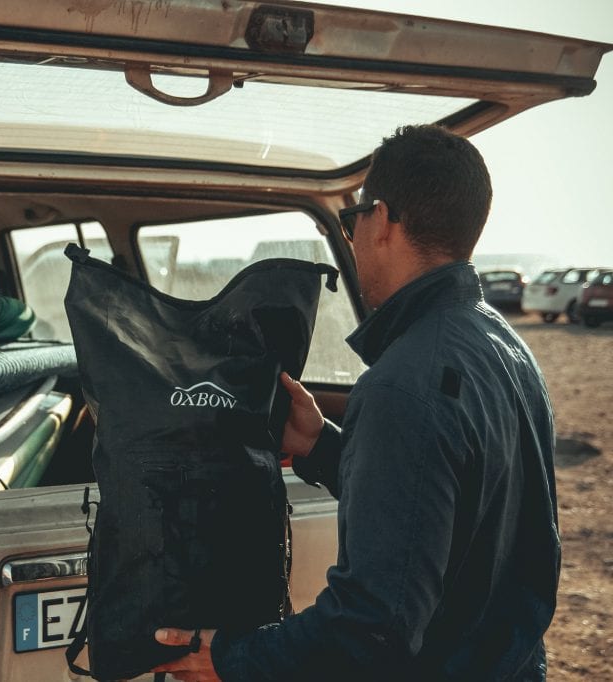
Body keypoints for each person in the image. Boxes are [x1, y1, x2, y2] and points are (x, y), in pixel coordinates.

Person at [152, 124, 559, 681]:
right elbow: (445, 513)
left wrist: (229, 660)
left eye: (352, 221)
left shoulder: (404, 383)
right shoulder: (505, 346)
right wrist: (321, 444)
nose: (353, 238)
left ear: (384, 220)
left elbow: (372, 626)